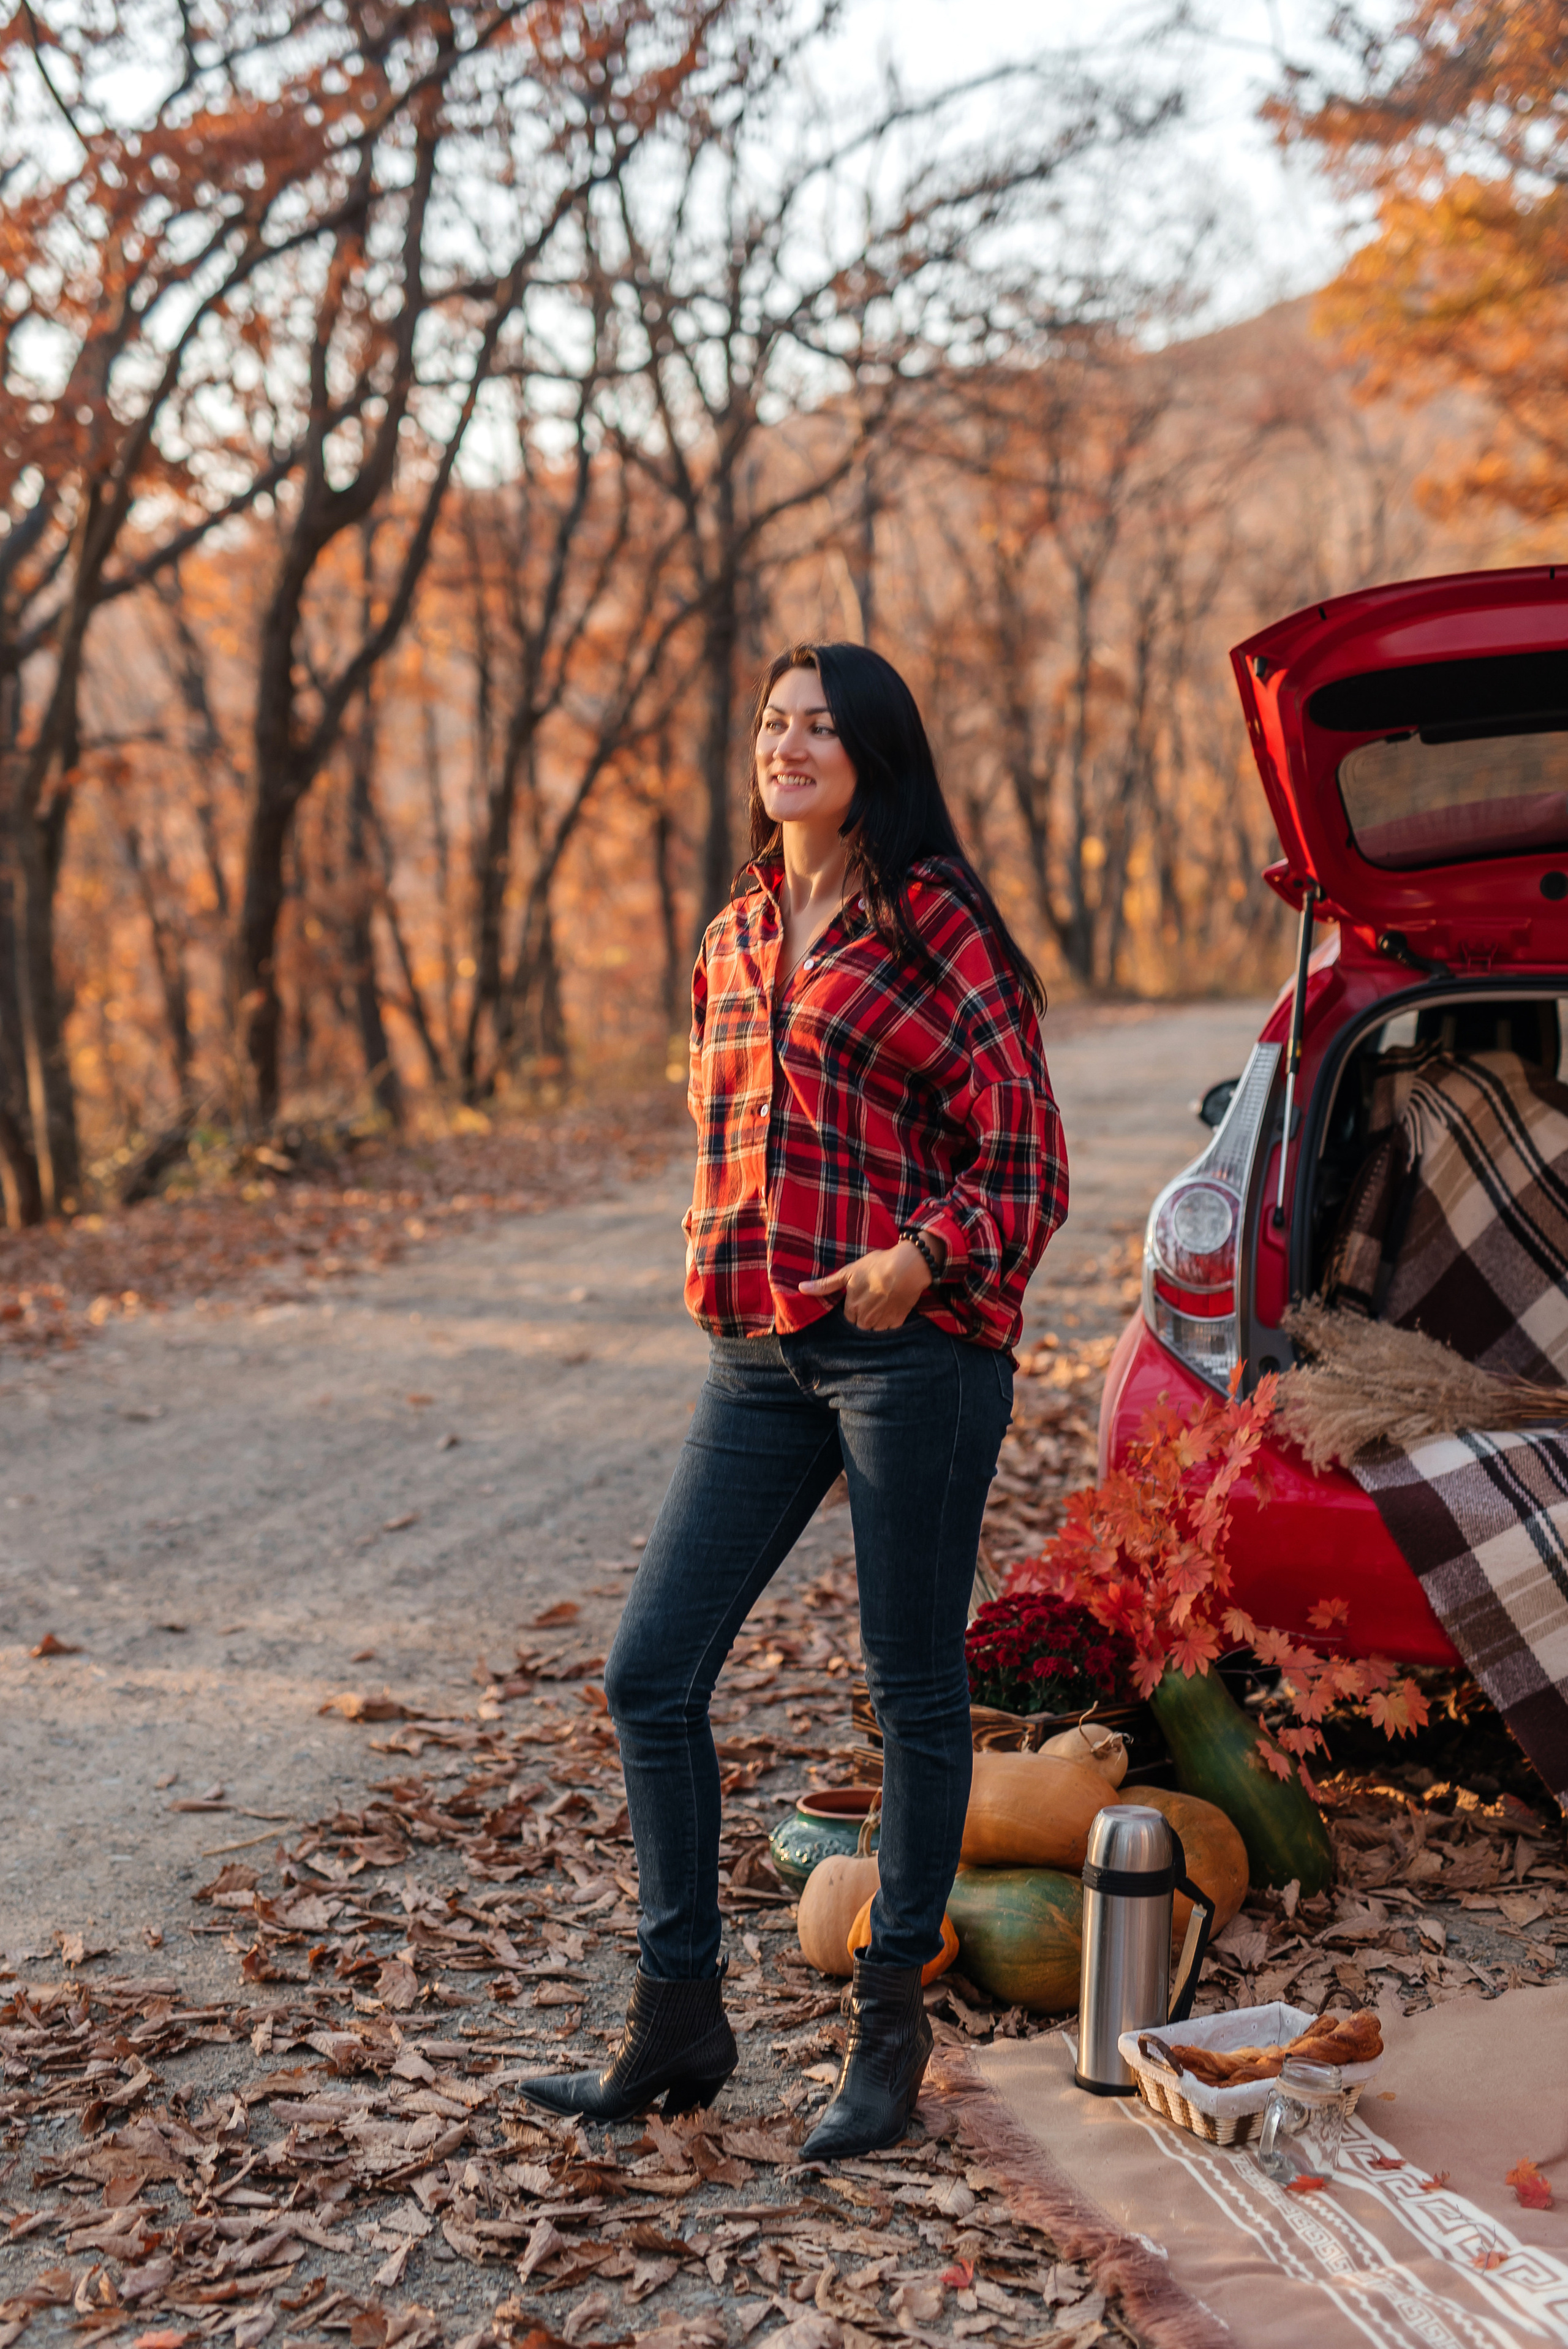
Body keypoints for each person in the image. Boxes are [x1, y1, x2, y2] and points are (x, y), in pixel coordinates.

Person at [521, 642, 1067, 2157]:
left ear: (875, 757)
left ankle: (886, 2033)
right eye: (772, 722)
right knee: (649, 1676)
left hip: (914, 1355)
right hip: (757, 1357)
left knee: (909, 1692)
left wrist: (915, 1258)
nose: (789, 745)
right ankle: (679, 2018)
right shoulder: (736, 930)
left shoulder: (938, 931)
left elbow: (1025, 1166)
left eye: (821, 727)